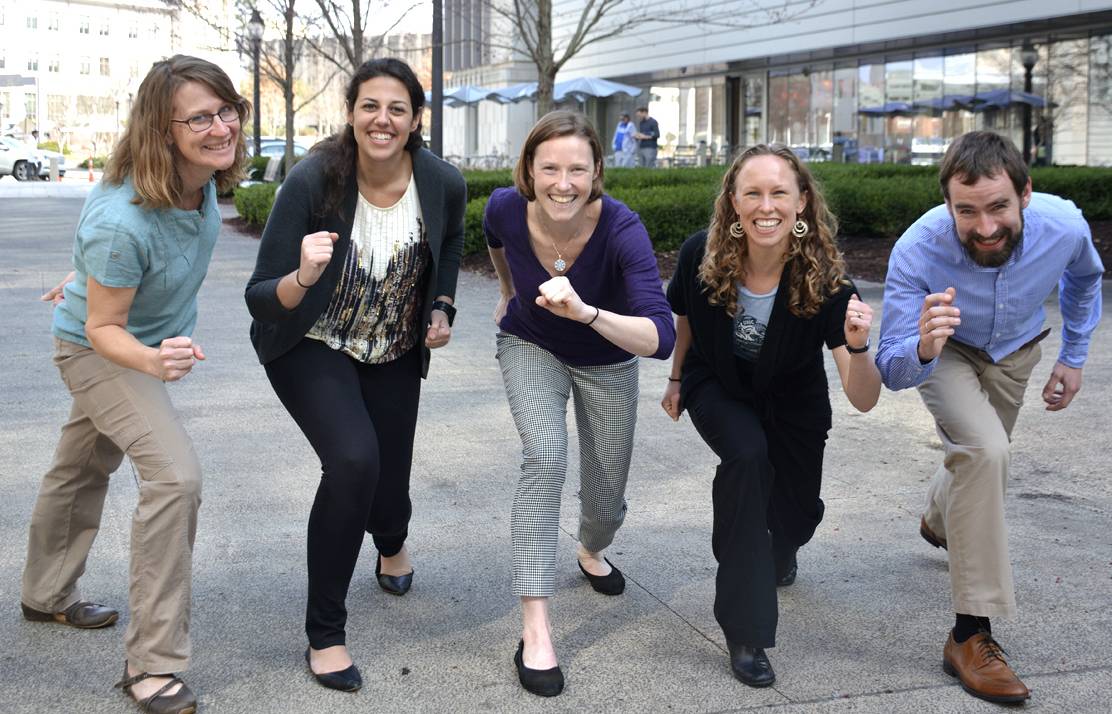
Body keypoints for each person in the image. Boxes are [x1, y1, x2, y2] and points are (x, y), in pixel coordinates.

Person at [20, 55, 248, 714]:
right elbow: (103, 327)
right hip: (102, 351)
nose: (220, 127)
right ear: (162, 130)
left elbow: (100, 240)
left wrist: (85, 270)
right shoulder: (123, 219)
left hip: (121, 335)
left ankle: (46, 594)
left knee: (81, 465)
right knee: (175, 478)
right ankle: (151, 666)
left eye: (225, 110)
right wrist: (148, 358)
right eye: (200, 118)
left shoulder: (197, 180)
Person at [245, 57, 466, 692]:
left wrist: (442, 306)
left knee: (389, 484)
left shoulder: (442, 182)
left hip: (394, 347)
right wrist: (305, 274)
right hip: (312, 343)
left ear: (416, 118)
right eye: (370, 105)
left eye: (398, 108)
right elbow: (261, 295)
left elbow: (448, 246)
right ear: (351, 112)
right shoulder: (314, 181)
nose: (383, 119)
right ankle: (326, 633)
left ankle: (392, 538)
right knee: (352, 461)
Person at [876, 131, 1103, 704]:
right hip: (947, 351)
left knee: (979, 455)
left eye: (998, 206)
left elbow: (1085, 278)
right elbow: (892, 369)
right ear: (948, 204)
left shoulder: (1065, 226)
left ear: (1025, 194)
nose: (984, 227)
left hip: (1017, 351)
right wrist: (924, 345)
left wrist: (1073, 356)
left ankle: (939, 518)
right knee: (986, 451)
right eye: (967, 211)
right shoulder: (918, 250)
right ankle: (970, 633)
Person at [662, 144, 881, 687]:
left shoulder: (826, 278)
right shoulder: (700, 254)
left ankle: (778, 549)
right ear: (732, 202)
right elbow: (684, 316)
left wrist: (857, 346)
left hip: (793, 399)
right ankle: (746, 629)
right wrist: (674, 377)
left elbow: (863, 397)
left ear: (801, 201)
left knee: (797, 515)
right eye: (752, 193)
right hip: (719, 385)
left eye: (779, 192)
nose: (767, 206)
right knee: (747, 460)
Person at [484, 110, 675, 697]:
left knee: (606, 485)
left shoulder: (622, 229)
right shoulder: (503, 208)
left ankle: (592, 548)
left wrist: (587, 312)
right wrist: (509, 293)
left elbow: (660, 337)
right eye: (549, 168)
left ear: (596, 173)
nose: (562, 182)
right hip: (530, 343)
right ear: (529, 170)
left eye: (577, 169)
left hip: (605, 355)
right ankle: (536, 628)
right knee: (544, 458)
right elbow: (496, 244)